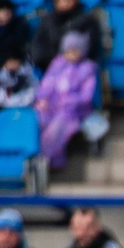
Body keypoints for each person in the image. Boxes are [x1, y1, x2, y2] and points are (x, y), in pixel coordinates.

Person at [34, 29, 97, 165]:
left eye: (75, 51)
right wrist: (43, 99)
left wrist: (68, 101)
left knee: (57, 127)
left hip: (74, 110)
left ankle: (46, 160)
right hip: (52, 106)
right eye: (68, 51)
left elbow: (87, 96)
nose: (71, 54)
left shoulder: (87, 69)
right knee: (37, 119)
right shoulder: (57, 64)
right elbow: (47, 84)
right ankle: (31, 157)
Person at [28, 0, 109, 72]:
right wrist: (50, 62)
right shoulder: (48, 19)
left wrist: (75, 57)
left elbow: (93, 47)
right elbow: (38, 44)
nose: (63, 2)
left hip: (79, 67)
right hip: (51, 68)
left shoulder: (88, 20)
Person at [0, 54, 39, 130]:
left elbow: (30, 98)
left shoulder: (31, 79)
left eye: (14, 61)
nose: (12, 64)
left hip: (23, 118)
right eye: (9, 61)